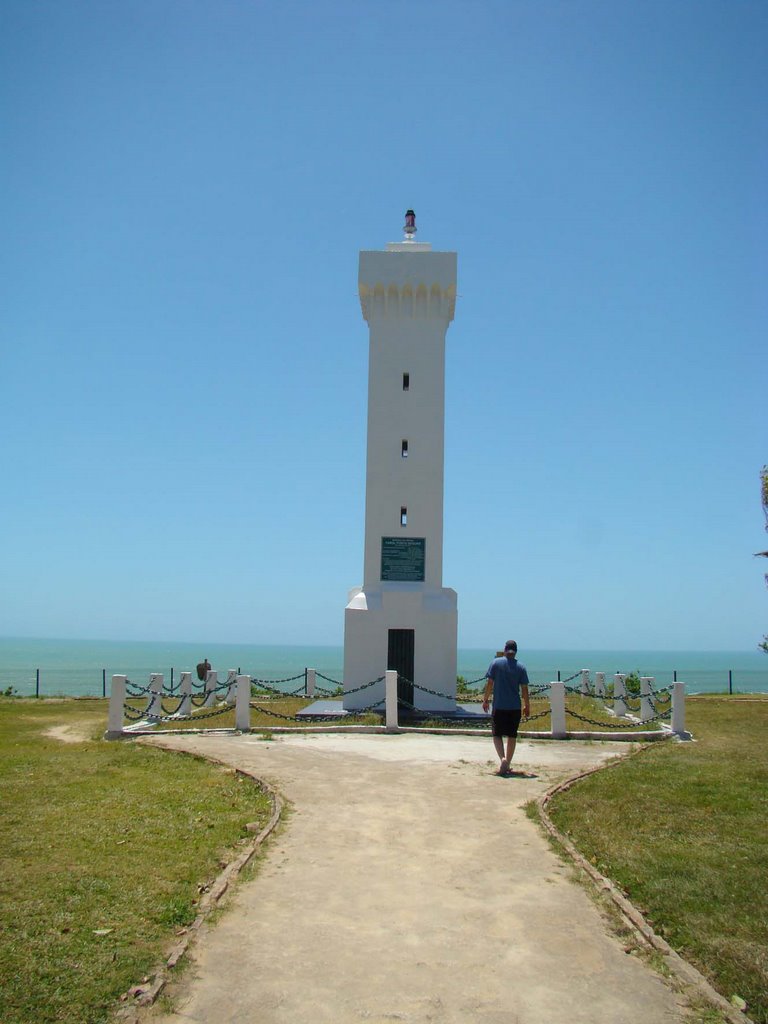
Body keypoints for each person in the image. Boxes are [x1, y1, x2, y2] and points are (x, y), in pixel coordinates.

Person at [482, 640, 530, 776]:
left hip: (499, 705)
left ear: (505, 649)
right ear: (515, 651)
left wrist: (485, 700)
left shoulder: (496, 663)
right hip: (514, 707)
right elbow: (524, 689)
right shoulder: (521, 667)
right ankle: (508, 762)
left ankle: (502, 759)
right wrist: (527, 705)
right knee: (512, 735)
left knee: (496, 734)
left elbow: (490, 683)